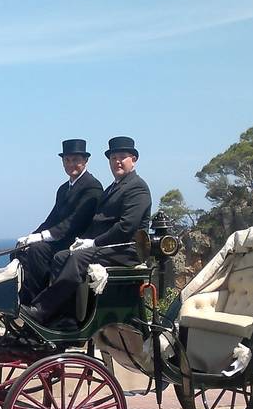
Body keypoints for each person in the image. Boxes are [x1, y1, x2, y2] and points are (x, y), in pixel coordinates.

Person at [20, 136, 152, 325]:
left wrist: (94, 243)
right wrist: (82, 241)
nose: (117, 162)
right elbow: (95, 223)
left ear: (134, 159)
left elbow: (126, 227)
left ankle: (42, 309)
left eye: (122, 157)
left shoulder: (137, 187)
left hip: (126, 250)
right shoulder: (112, 188)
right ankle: (63, 316)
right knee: (62, 256)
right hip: (109, 247)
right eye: (113, 158)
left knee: (76, 259)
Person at [16, 139, 103, 306]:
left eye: (76, 160)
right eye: (67, 160)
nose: (71, 165)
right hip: (60, 239)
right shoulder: (64, 189)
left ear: (85, 161)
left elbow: (74, 222)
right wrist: (31, 236)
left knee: (38, 251)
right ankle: (24, 301)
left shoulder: (92, 187)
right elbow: (52, 219)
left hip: (76, 242)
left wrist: (41, 238)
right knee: (20, 251)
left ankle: (41, 304)